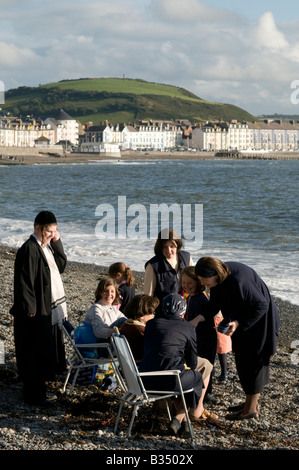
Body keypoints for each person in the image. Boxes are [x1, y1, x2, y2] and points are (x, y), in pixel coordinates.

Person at [195, 256, 280, 420]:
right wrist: (198, 318)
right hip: (241, 321)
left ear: (214, 273)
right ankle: (251, 403)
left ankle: (250, 410)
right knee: (242, 359)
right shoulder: (218, 280)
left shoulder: (238, 279)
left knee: (254, 362)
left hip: (260, 321)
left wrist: (238, 323)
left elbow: (261, 304)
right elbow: (214, 305)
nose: (203, 284)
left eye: (204, 280)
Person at [10, 211, 68, 406]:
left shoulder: (46, 247)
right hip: (34, 311)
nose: (52, 234)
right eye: (49, 231)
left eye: (55, 231)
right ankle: (33, 396)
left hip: (45, 307)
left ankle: (39, 393)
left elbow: (60, 266)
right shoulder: (29, 248)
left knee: (42, 350)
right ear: (38, 228)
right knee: (32, 351)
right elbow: (24, 281)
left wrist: (57, 242)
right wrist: (30, 307)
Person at [139, 293, 217, 436]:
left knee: (185, 378)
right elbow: (193, 363)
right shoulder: (188, 327)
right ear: (183, 311)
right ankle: (178, 418)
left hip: (144, 381)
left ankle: (184, 424)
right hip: (171, 382)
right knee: (196, 377)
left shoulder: (151, 324)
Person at [180, 266, 218, 401]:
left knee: (207, 365)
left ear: (199, 282)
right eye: (183, 282)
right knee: (195, 363)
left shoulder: (202, 298)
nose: (186, 285)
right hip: (195, 337)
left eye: (189, 283)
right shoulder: (191, 297)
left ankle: (206, 393)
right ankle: (198, 390)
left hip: (206, 337)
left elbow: (208, 315)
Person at [144, 228, 193, 305]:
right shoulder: (152, 266)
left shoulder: (186, 258)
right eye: (165, 247)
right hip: (163, 312)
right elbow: (148, 295)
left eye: (172, 246)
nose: (169, 250)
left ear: (178, 244)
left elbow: (196, 283)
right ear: (160, 247)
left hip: (186, 308)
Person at [120, 294, 159, 362]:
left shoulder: (126, 325)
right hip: (141, 365)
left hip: (130, 365)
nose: (154, 315)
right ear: (142, 315)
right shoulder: (141, 331)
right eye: (151, 312)